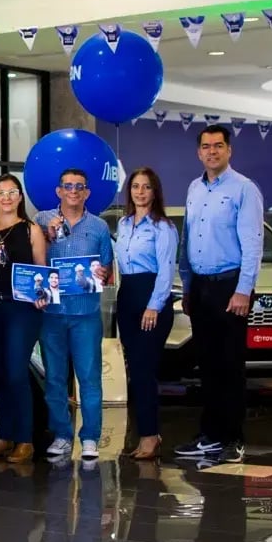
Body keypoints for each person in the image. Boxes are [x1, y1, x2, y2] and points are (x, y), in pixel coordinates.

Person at [175, 124, 264, 464]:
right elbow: (188, 240)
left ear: (229, 151)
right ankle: (209, 435)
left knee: (229, 367)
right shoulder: (195, 188)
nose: (211, 152)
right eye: (206, 147)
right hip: (200, 287)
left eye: (218, 146)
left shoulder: (243, 189)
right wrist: (187, 286)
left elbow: (253, 244)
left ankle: (232, 438)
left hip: (230, 288)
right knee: (208, 366)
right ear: (199, 152)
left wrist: (244, 290)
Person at [35, 168, 114, 460]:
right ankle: (62, 435)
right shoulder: (42, 219)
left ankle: (90, 437)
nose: (73, 191)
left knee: (89, 378)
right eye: (67, 186)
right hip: (51, 313)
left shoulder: (99, 227)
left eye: (79, 186)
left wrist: (104, 273)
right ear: (58, 191)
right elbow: (33, 260)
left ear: (87, 192)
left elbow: (106, 269)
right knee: (54, 378)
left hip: (86, 315)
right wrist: (47, 234)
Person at [0, 173, 48, 463]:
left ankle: (25, 439)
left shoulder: (31, 230)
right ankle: (4, 437)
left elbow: (42, 270)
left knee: (17, 372)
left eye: (12, 192)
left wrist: (43, 293)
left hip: (22, 309)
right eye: (0, 192)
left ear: (20, 197)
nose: (6, 197)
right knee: (1, 373)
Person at [115, 167, 178, 460]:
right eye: (136, 186)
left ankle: (151, 436)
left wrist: (154, 305)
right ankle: (145, 436)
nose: (140, 192)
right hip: (127, 297)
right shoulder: (125, 224)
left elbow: (166, 269)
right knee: (135, 372)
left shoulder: (163, 227)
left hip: (151, 300)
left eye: (146, 187)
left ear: (155, 192)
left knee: (144, 371)